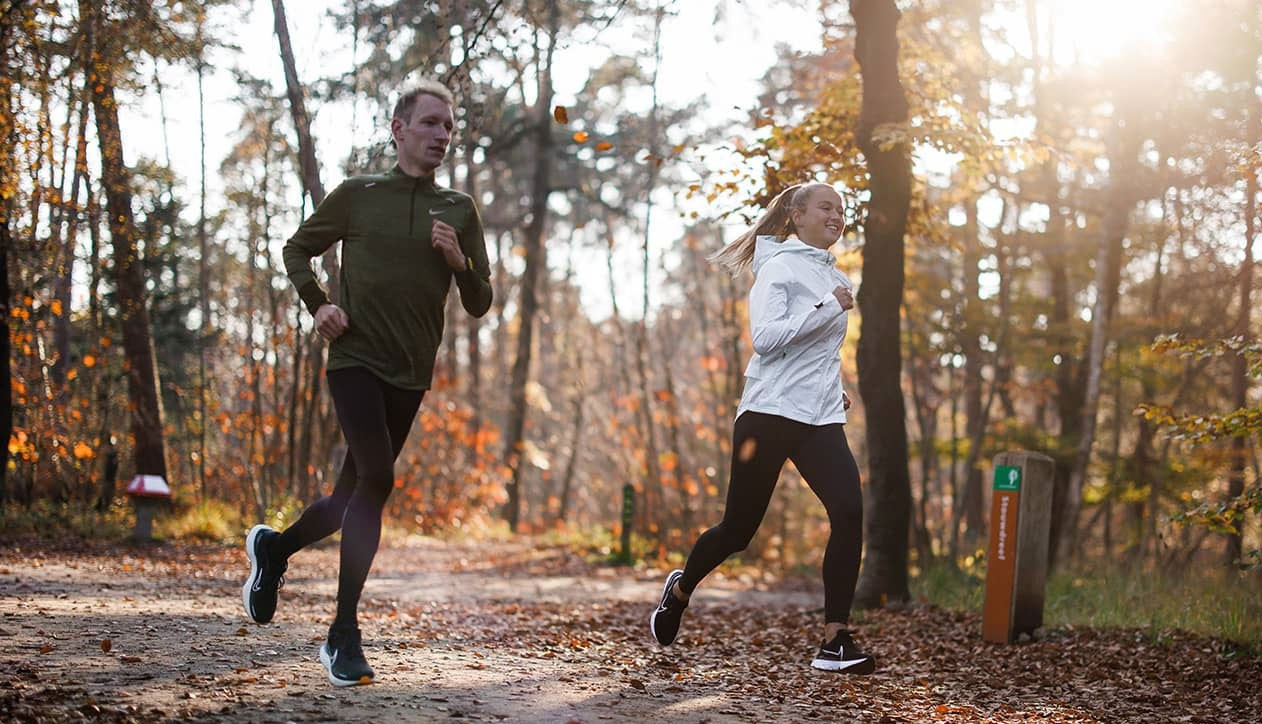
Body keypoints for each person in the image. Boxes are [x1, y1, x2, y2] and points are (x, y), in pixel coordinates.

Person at [241, 78, 492, 687]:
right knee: (378, 479)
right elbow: (295, 249)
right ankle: (342, 633)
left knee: (347, 499)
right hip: (353, 358)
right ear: (399, 130)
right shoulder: (358, 194)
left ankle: (274, 552)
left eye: (449, 127)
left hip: (411, 371)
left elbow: (481, 301)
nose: (442, 135)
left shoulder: (458, 209)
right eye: (431, 123)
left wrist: (459, 263)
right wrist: (317, 304)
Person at [649, 182, 874, 674]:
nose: (837, 215)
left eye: (841, 209)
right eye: (826, 207)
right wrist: (829, 307)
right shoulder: (778, 267)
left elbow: (814, 353)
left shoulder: (828, 272)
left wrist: (830, 388)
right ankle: (681, 588)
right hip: (768, 414)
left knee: (850, 510)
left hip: (817, 417)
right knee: (738, 530)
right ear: (796, 215)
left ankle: (835, 639)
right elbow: (768, 341)